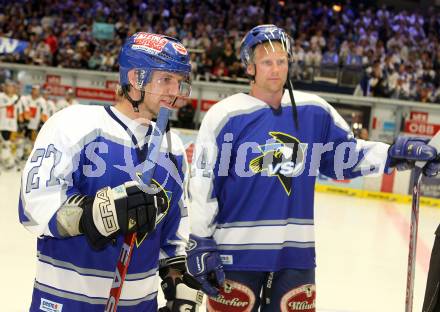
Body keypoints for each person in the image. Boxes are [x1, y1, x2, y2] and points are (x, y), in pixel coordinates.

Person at [185, 24, 440, 311]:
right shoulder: (224, 114)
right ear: (249, 67)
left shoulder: (314, 110)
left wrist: (393, 153)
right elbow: (203, 182)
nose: (276, 69)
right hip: (236, 252)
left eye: (282, 61)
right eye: (267, 62)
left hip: (295, 256)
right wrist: (200, 238)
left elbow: (348, 154)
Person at [19, 32, 202, 311]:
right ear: (134, 78)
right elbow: (33, 204)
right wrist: (95, 214)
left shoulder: (172, 146)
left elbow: (174, 230)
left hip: (140, 304)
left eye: (179, 82)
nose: (175, 92)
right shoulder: (74, 124)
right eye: (166, 80)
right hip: (65, 301)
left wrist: (178, 283)